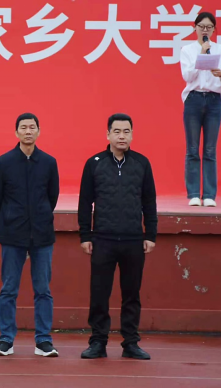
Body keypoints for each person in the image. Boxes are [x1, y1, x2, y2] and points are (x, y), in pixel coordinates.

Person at [78, 114, 158, 361]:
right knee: (99, 293)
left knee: (131, 294)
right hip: (103, 239)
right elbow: (85, 203)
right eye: (117, 131)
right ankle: (98, 342)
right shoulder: (94, 163)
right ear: (108, 134)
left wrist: (150, 234)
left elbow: (149, 202)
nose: (122, 136)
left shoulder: (142, 163)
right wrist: (85, 235)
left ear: (132, 134)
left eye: (126, 131)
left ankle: (130, 343)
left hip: (134, 240)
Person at [0, 113, 60, 358]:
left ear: (39, 131)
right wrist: (9, 220)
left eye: (32, 127)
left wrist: (40, 216)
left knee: (43, 290)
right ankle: (6, 340)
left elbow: (52, 197)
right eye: (23, 127)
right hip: (12, 236)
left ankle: (43, 341)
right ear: (16, 132)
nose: (28, 131)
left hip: (42, 236)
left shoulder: (49, 163)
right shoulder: (3, 163)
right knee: (9, 289)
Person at [180, 12, 221, 207]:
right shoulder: (187, 49)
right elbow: (187, 76)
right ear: (194, 27)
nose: (205, 30)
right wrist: (202, 54)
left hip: (213, 100)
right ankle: (194, 194)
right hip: (193, 99)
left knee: (210, 149)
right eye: (201, 26)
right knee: (192, 149)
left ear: (213, 30)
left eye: (209, 27)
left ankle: (209, 195)